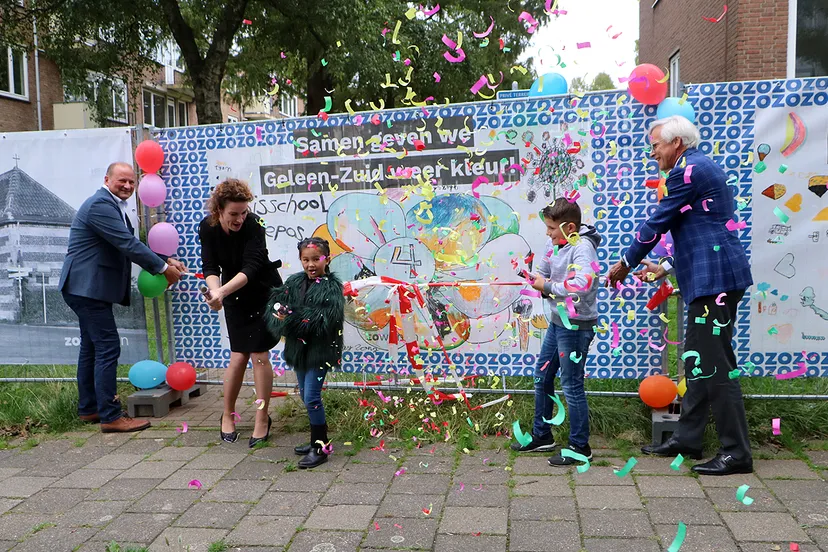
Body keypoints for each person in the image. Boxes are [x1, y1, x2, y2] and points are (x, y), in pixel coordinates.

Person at [608, 115, 754, 476]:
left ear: (676, 143)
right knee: (699, 363)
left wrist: (627, 261)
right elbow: (703, 227)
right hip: (713, 276)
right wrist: (665, 267)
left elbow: (660, 220)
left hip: (715, 280)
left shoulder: (686, 171)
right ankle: (688, 438)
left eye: (656, 144)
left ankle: (736, 452)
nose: (652, 151)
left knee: (717, 367)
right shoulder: (700, 168)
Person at [60, 162, 186, 433]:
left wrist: (165, 258)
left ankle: (90, 408)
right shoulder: (101, 206)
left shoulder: (111, 206)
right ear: (107, 179)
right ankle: (110, 416)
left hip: (86, 288)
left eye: (131, 182)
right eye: (122, 181)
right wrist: (164, 270)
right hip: (86, 288)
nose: (128, 186)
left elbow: (127, 241)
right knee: (107, 347)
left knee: (92, 347)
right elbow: (127, 244)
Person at [511, 198, 601, 468]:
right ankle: (542, 435)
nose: (548, 233)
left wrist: (548, 286)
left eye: (551, 228)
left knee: (572, 386)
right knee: (543, 375)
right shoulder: (557, 244)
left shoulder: (583, 248)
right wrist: (533, 277)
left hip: (575, 325)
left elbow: (583, 284)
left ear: (570, 227)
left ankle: (579, 447)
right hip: (558, 320)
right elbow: (544, 270)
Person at [199, 179, 281, 448]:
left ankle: (261, 417)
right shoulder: (207, 227)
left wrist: (221, 293)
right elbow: (210, 266)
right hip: (232, 293)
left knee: (259, 355)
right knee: (237, 357)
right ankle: (227, 414)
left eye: (243, 212)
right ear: (219, 211)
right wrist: (214, 293)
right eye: (234, 214)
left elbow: (252, 267)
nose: (240, 218)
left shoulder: (255, 224)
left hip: (261, 290)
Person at [266, 237, 345, 469]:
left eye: (316, 259)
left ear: (327, 259)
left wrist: (290, 317)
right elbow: (276, 303)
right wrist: (279, 312)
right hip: (299, 351)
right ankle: (317, 439)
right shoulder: (295, 282)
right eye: (305, 259)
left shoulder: (331, 287)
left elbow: (320, 320)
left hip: (319, 352)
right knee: (305, 395)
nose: (311, 264)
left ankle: (320, 447)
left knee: (312, 397)